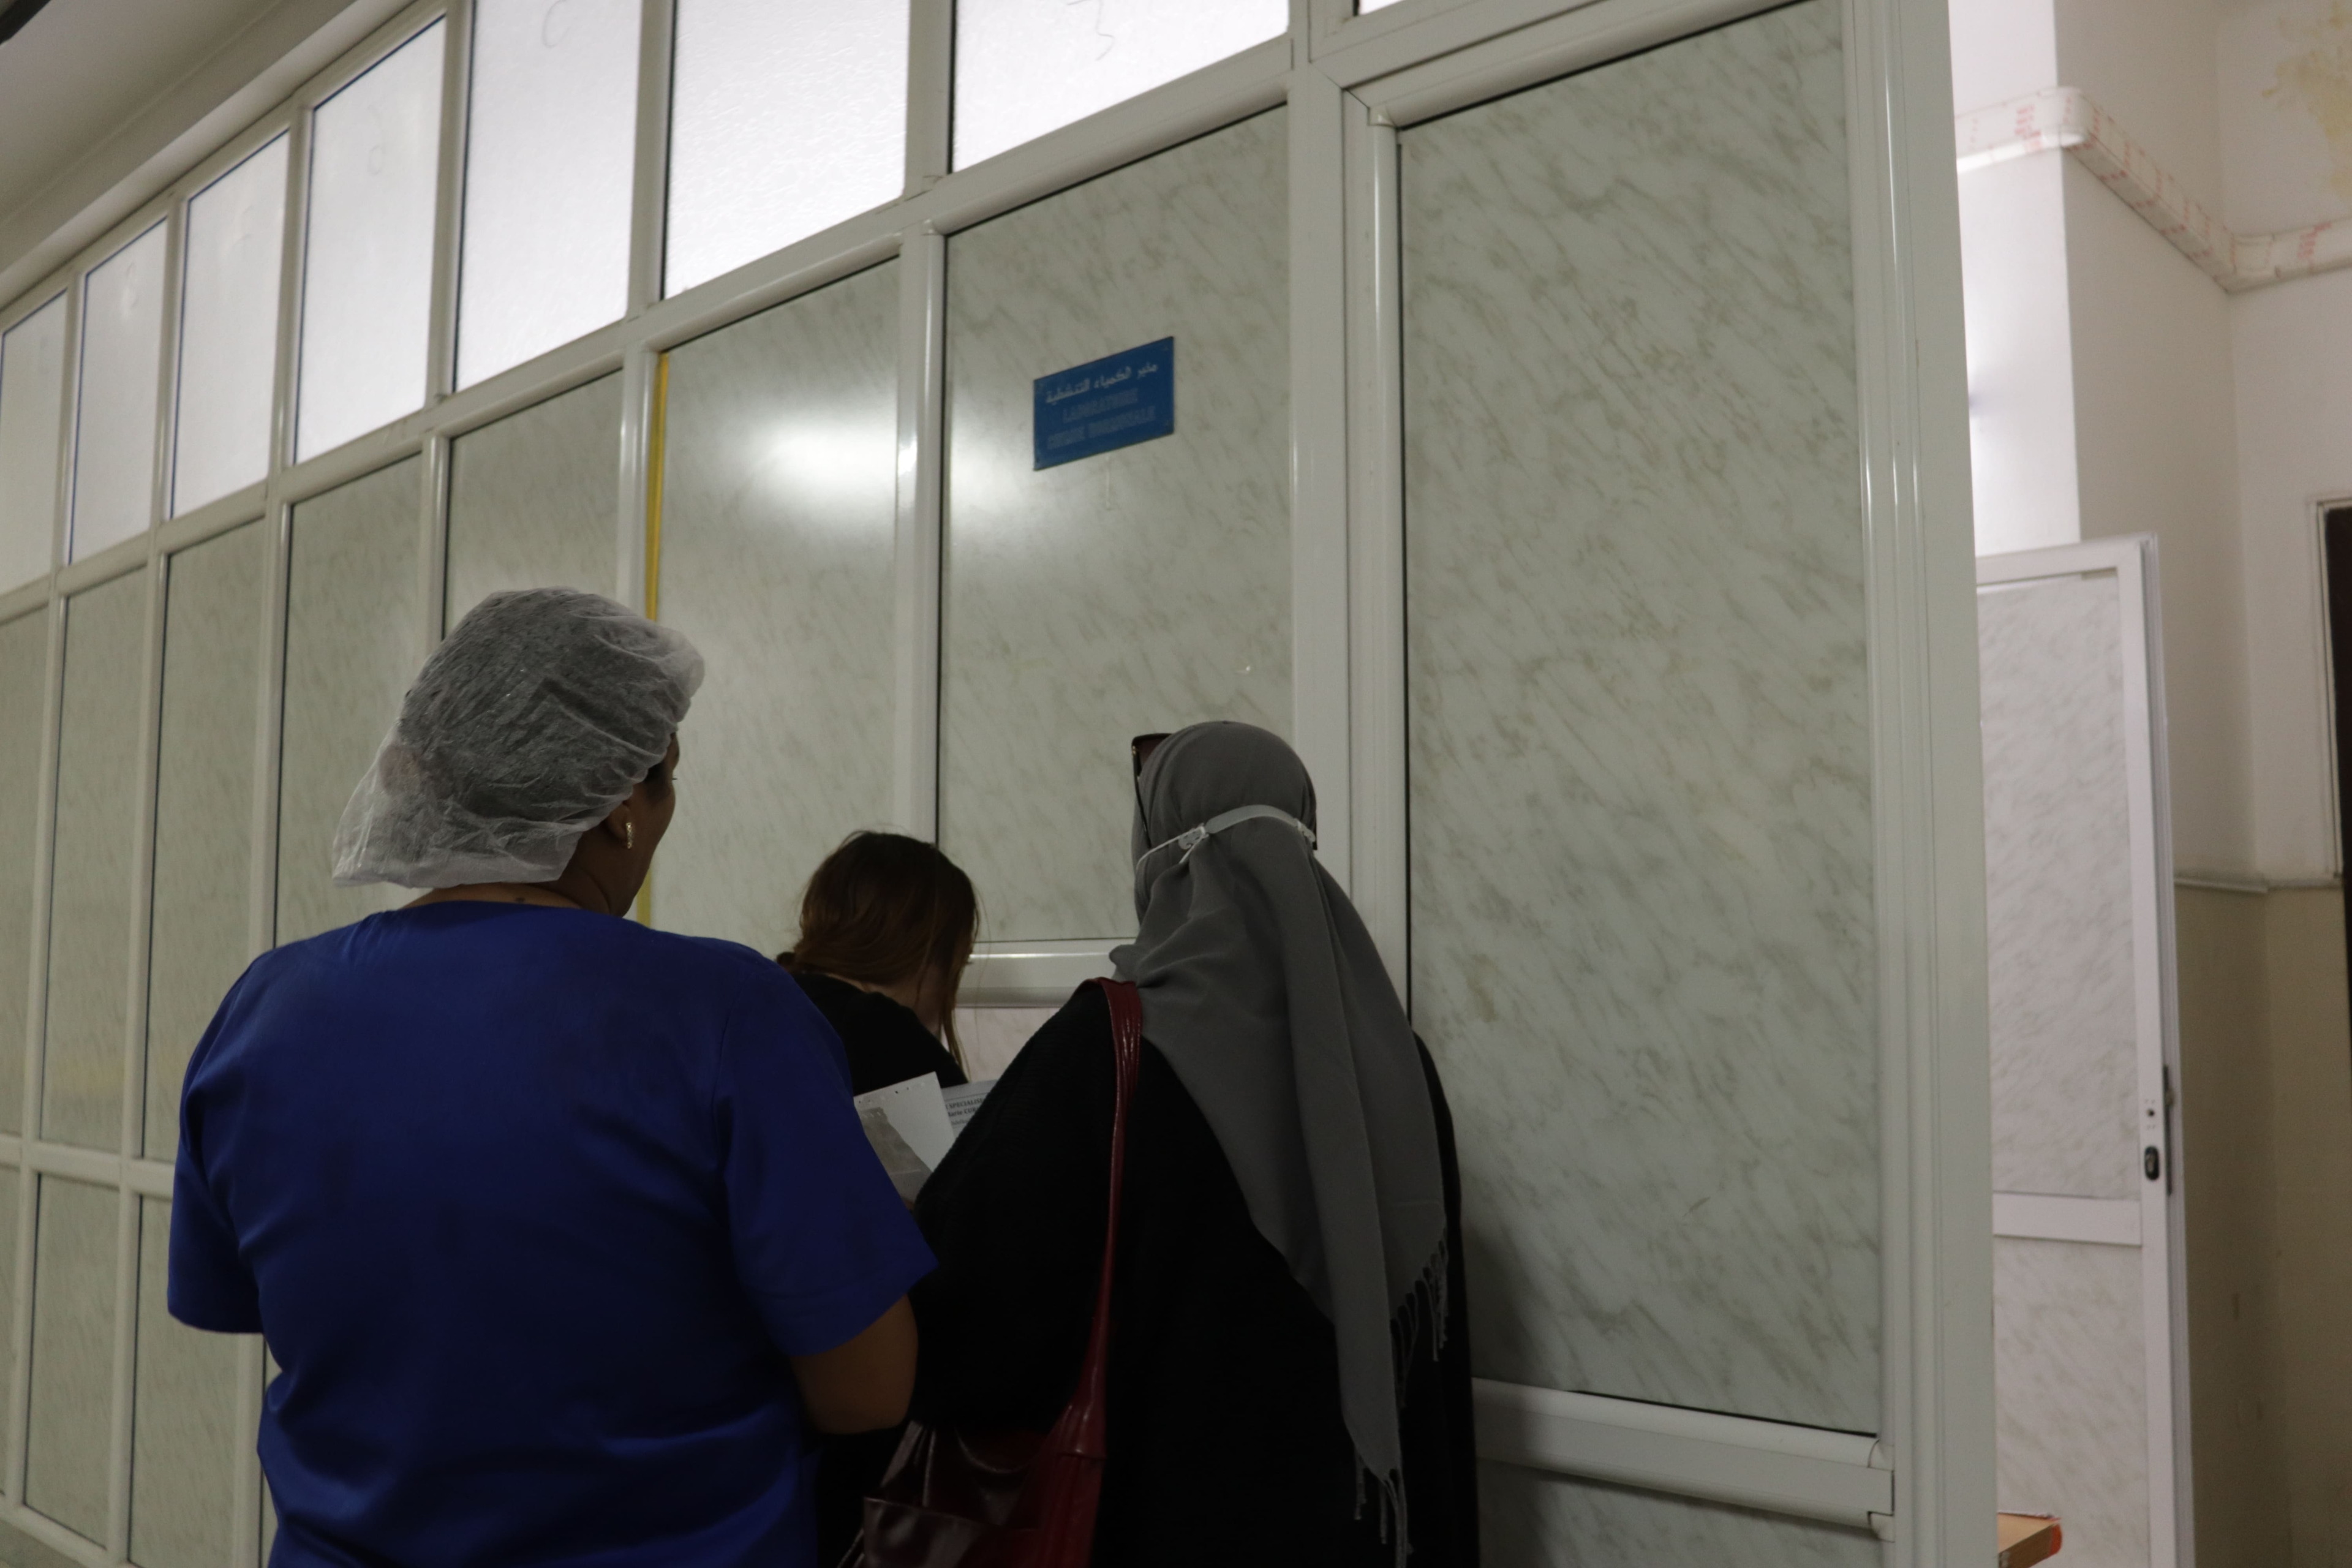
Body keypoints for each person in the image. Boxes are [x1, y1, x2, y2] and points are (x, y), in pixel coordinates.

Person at [167, 588, 932, 1568]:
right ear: (620, 807)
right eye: (666, 781)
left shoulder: (267, 1005)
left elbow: (253, 1298)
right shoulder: (728, 1012)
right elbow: (866, 1391)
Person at [907, 721, 1479, 1566]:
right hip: (1359, 1531)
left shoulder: (1107, 1047)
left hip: (1162, 1518)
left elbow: (971, 1324)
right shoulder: (1397, 1065)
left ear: (1158, 851)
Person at [774, 829, 978, 1562]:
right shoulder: (893, 1045)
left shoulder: (762, 1004)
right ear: (935, 952)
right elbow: (968, 1250)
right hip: (863, 1400)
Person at [780, 830, 976, 1097]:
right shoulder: (884, 1032)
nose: (950, 1001)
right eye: (959, 964)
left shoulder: (763, 1003)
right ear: (925, 952)